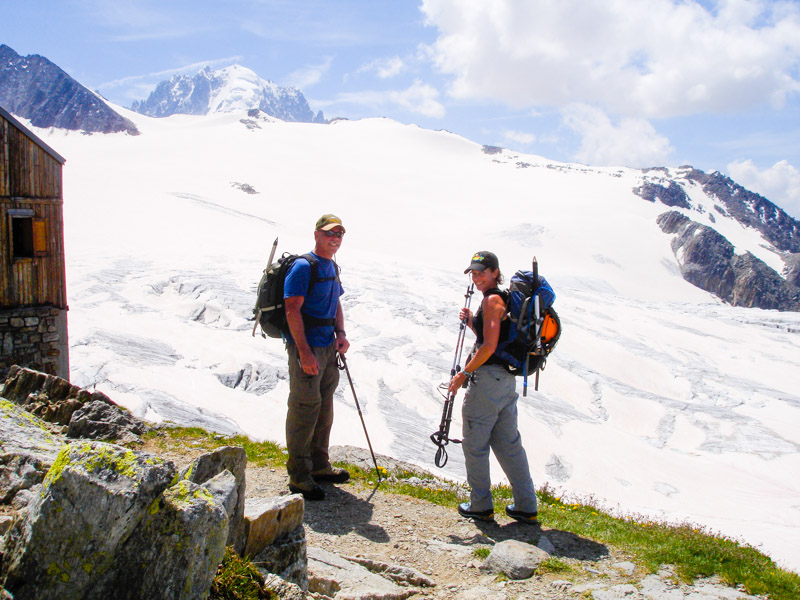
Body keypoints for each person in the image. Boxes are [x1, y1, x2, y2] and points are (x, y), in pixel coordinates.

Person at [447, 251, 539, 524]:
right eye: (473, 273)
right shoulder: (504, 299)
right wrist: (473, 323)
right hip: (505, 381)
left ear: (495, 272)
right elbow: (494, 340)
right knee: (509, 444)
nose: (476, 278)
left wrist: (463, 373)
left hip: (487, 382)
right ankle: (526, 505)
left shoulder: (491, 301)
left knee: (475, 444)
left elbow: (488, 347)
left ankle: (481, 505)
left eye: (481, 273)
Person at [283, 214, 350, 501]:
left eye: (339, 234)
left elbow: (335, 302)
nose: (335, 239)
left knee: (323, 407)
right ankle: (299, 475)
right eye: (329, 234)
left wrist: (341, 333)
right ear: (316, 234)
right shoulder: (302, 266)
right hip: (308, 347)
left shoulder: (331, 266)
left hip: (328, 348)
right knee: (304, 408)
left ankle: (320, 466)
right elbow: (292, 310)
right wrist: (304, 351)